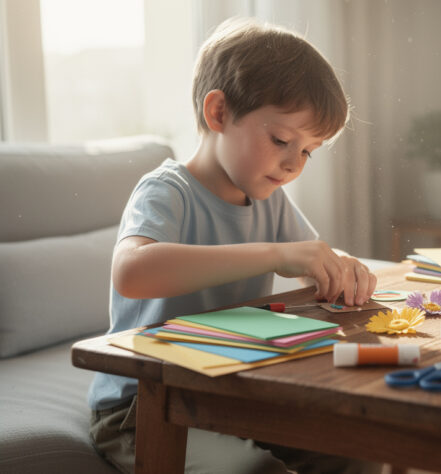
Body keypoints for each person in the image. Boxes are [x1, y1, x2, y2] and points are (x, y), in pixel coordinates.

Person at [87, 17, 377, 473]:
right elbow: (133, 272)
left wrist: (339, 268)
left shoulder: (269, 199)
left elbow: (310, 262)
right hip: (144, 403)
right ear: (219, 113)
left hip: (233, 389)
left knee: (354, 451)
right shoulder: (167, 191)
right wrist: (277, 254)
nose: (292, 164)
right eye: (282, 140)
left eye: (307, 151)